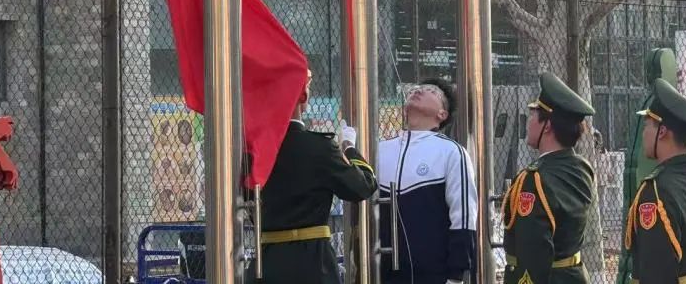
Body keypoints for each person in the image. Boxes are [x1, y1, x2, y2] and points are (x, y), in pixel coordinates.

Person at [244, 70, 378, 284]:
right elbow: (362, 186)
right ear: (303, 98)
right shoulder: (320, 147)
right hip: (314, 262)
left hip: (267, 260)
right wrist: (349, 147)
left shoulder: (251, 150)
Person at [378, 77, 478, 284]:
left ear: (442, 114)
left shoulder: (451, 151)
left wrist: (456, 276)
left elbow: (464, 216)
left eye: (431, 91)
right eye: (417, 88)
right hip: (382, 273)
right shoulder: (380, 149)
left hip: (433, 275)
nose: (419, 90)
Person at [500, 72, 596, 284]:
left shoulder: (533, 180)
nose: (528, 122)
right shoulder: (581, 168)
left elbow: (534, 250)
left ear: (548, 126)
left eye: (533, 115)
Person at [624, 78, 686, 284]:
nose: (644, 133)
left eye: (647, 126)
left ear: (662, 132)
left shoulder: (655, 191)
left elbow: (656, 274)